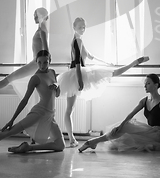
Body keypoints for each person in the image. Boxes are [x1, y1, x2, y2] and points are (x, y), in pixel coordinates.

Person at [58, 17, 149, 147]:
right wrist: (79, 80)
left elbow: (90, 56)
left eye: (84, 27)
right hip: (77, 73)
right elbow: (77, 62)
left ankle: (72, 139)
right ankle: (134, 63)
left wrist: (107, 63)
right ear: (74, 27)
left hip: (77, 73)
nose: (82, 29)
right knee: (113, 73)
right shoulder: (77, 40)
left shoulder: (78, 40)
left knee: (69, 109)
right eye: (80, 27)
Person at [77, 74, 160, 152]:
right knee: (125, 126)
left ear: (156, 85)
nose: (145, 86)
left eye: (148, 83)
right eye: (144, 84)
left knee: (127, 134)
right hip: (150, 131)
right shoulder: (144, 101)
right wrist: (120, 126)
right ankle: (94, 142)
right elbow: (131, 115)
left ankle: (92, 142)